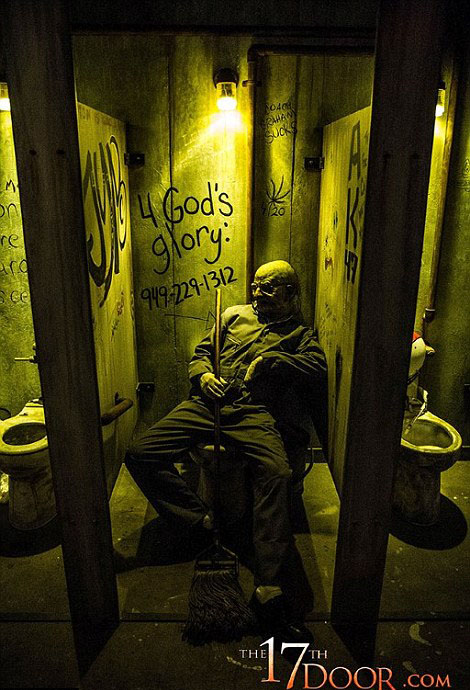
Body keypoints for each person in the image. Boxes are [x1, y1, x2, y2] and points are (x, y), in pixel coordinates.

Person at [125, 260, 327, 641]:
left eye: (267, 287)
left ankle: (268, 586)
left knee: (278, 473)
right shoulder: (233, 315)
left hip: (253, 412)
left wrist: (270, 360)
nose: (256, 293)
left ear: (289, 293)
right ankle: (199, 520)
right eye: (255, 285)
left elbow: (316, 365)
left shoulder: (299, 334)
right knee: (140, 451)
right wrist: (203, 376)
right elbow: (202, 352)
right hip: (206, 405)